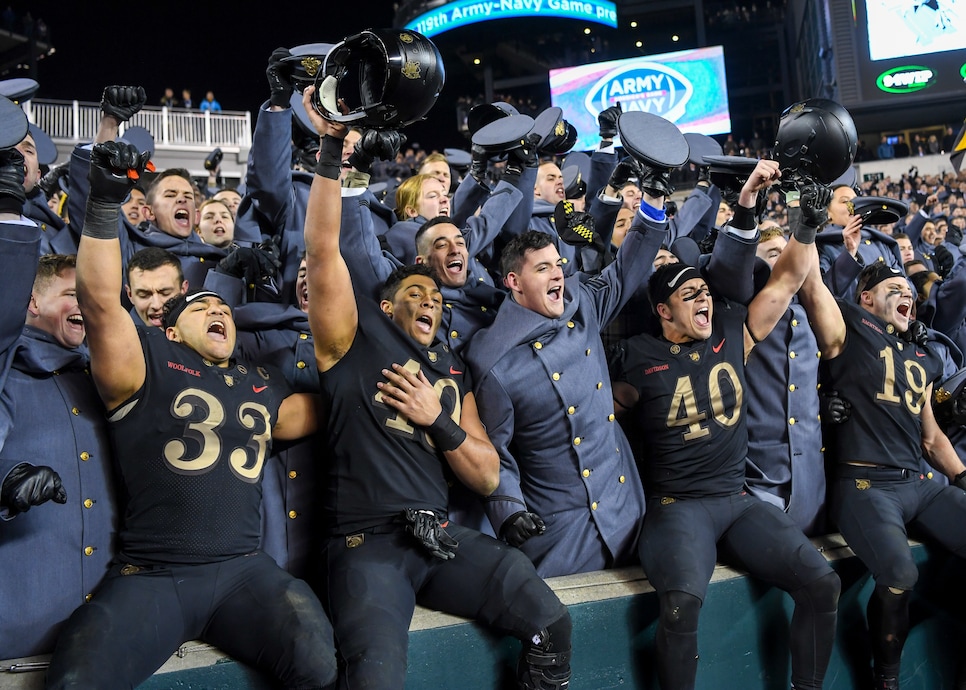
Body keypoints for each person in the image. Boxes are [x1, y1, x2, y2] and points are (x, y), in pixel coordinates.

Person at [301, 85, 571, 690]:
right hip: (366, 544)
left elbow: (487, 476)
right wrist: (330, 155)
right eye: (412, 294)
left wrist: (437, 418)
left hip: (439, 535)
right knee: (374, 680)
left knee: (550, 621)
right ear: (382, 304)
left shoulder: (451, 368)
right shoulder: (354, 341)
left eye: (435, 297)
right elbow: (323, 251)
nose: (429, 302)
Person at [45, 141, 336, 689]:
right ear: (173, 329)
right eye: (203, 306)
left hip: (244, 571)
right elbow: (102, 302)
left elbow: (332, 406)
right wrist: (104, 206)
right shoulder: (150, 360)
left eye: (223, 306)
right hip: (155, 573)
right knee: (76, 680)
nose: (218, 310)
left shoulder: (259, 382)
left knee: (317, 659)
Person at [610, 171, 841, 690]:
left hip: (737, 500)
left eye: (704, 291)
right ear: (662, 310)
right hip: (677, 507)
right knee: (680, 606)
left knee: (823, 584)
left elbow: (783, 282)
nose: (703, 300)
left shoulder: (734, 334)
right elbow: (601, 422)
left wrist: (805, 226)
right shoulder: (635, 358)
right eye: (688, 294)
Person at [464, 113, 683, 578]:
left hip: (627, 506)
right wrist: (508, 513)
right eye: (542, 269)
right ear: (513, 282)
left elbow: (629, 266)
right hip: (563, 531)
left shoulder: (579, 303)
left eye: (558, 264)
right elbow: (497, 452)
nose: (558, 274)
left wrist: (654, 201)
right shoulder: (493, 360)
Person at [798, 259, 966, 690]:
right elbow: (812, 283)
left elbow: (932, 439)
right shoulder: (849, 326)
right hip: (865, 484)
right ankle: (885, 680)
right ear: (866, 297)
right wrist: (808, 223)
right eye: (894, 287)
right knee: (899, 572)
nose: (905, 292)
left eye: (909, 289)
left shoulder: (920, 355)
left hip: (919, 484)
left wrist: (963, 478)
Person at [0, 146, 118, 659]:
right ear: (30, 304)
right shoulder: (8, 373)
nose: (84, 306)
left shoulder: (108, 380)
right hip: (19, 621)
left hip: (110, 626)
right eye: (72, 294)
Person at [125, 247, 188, 328]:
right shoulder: (116, 338)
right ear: (130, 295)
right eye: (144, 295)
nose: (156, 305)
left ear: (183, 289)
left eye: (165, 293)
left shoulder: (201, 329)